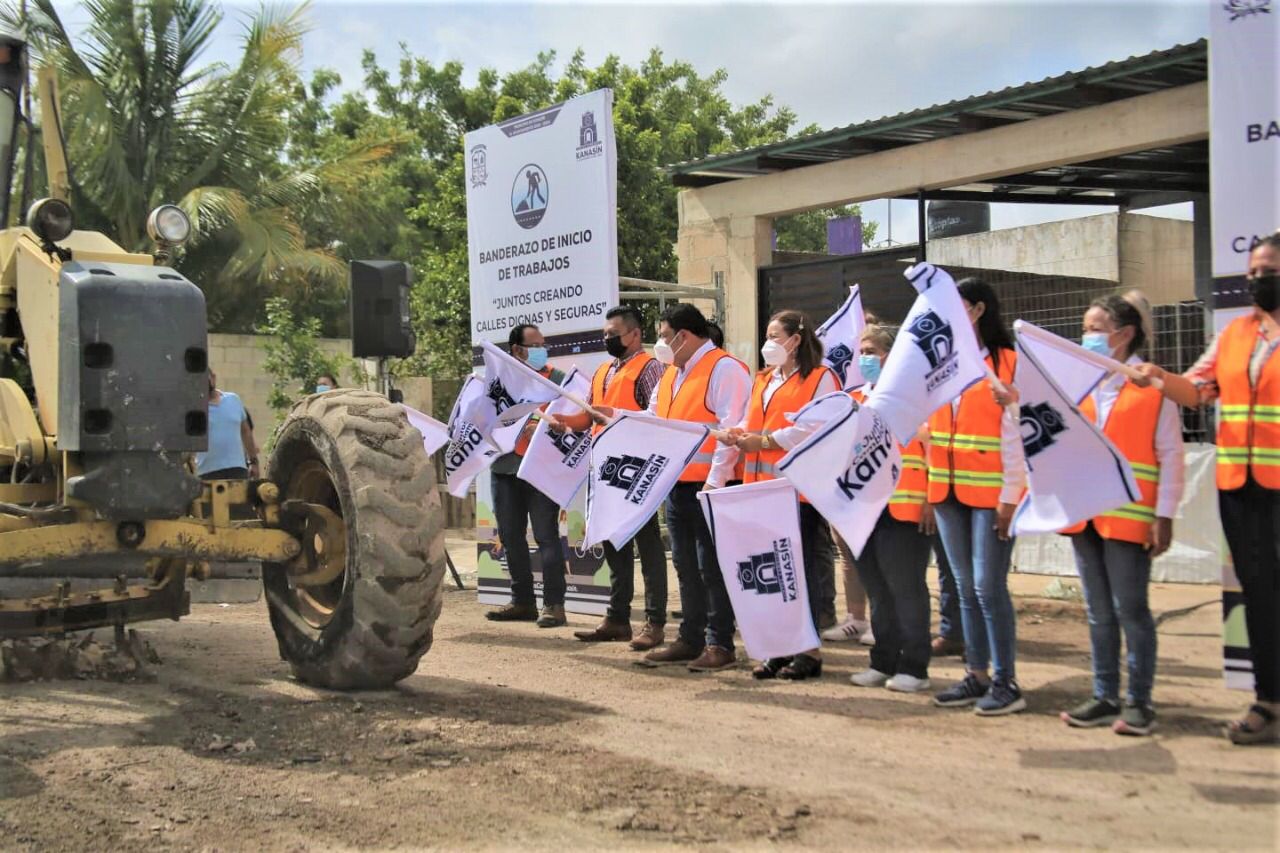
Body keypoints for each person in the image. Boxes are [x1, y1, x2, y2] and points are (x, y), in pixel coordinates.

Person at [1137, 233, 1280, 745]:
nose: (1258, 280)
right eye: (1253, 273)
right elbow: (1197, 389)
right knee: (1261, 596)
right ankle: (1268, 700)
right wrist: (1155, 377)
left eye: (1268, 270)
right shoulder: (1236, 334)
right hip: (1242, 489)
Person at [1055, 293, 1184, 736]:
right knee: (1097, 612)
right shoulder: (1079, 387)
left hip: (1130, 518)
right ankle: (1105, 694)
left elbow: (1170, 455)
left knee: (1131, 609)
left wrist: (1163, 515)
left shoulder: (1152, 389)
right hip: (1086, 517)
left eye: (1095, 329)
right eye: (1086, 328)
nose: (1086, 337)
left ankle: (1139, 702)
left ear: (1125, 335)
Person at [929, 278, 1028, 716]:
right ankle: (977, 673)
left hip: (991, 494)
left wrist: (1011, 496)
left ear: (978, 310)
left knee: (989, 588)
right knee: (966, 589)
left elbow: (1020, 435)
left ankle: (1007, 681)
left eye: (957, 306)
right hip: (946, 489)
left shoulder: (1009, 362)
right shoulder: (941, 361)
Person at [722, 310, 838, 680]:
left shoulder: (820, 378)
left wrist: (766, 441)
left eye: (775, 336)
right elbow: (753, 422)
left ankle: (809, 651)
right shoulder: (764, 379)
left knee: (798, 573)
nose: (768, 343)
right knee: (770, 574)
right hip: (760, 492)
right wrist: (738, 433)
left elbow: (815, 428)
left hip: (797, 493)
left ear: (796, 339)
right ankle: (779, 648)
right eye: (768, 335)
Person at [547, 306, 670, 651]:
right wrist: (564, 422)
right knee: (615, 546)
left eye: (613, 334)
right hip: (606, 471)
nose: (607, 339)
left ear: (634, 334)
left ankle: (655, 622)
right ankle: (617, 619)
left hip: (639, 470)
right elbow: (589, 418)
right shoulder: (602, 372)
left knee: (648, 548)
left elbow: (657, 418)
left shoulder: (651, 369)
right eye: (604, 334)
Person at [638, 303, 750, 671]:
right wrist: (615, 417)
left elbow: (731, 430)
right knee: (686, 565)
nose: (661, 344)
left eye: (665, 336)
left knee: (712, 567)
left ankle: (720, 643)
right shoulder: (672, 374)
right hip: (677, 485)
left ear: (683, 336)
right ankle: (691, 638)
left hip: (712, 487)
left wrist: (714, 482)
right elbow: (653, 419)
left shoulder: (725, 368)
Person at [845, 325, 935, 692]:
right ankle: (883, 661)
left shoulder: (915, 396)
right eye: (861, 351)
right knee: (878, 588)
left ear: (890, 355)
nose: (864, 358)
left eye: (871, 350)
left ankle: (915, 667)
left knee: (906, 588)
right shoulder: (855, 398)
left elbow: (934, 448)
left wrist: (932, 496)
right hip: (866, 508)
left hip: (906, 505)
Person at [484, 323, 570, 629]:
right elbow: (485, 417)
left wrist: (543, 427)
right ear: (517, 350)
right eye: (534, 345)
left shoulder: (556, 379)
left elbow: (568, 420)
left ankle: (554, 606)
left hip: (539, 469)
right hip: (505, 468)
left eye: (542, 344)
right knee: (510, 537)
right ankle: (522, 602)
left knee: (546, 537)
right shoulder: (498, 380)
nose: (541, 350)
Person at [198, 369, 258, 480]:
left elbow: (246, 432)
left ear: (213, 377)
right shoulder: (194, 408)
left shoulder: (233, 399)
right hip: (207, 472)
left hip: (237, 470)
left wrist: (253, 462)